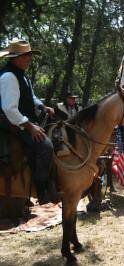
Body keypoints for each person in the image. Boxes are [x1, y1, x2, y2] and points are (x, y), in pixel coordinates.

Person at [0, 39, 61, 204]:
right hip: (10, 122)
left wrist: (43, 106)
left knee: (55, 134)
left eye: (29, 55)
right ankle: (41, 191)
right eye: (25, 55)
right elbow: (10, 109)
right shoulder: (9, 77)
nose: (29, 59)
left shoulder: (21, 74)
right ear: (15, 57)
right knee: (45, 146)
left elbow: (30, 96)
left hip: (21, 119)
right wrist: (30, 126)